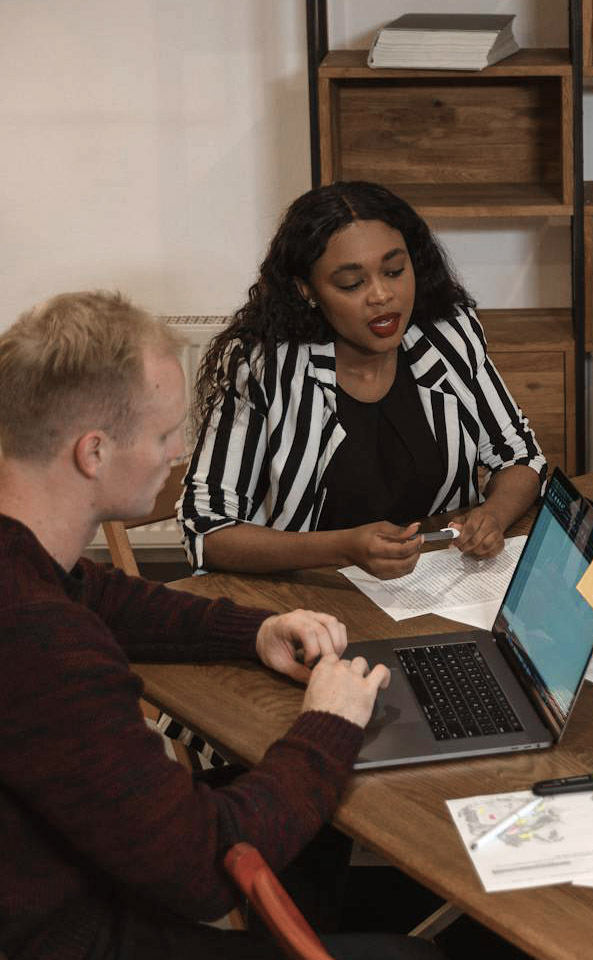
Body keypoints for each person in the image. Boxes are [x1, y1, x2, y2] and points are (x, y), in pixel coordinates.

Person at [0, 291, 440, 959]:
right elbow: (202, 867)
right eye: (163, 434)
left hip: (65, 874)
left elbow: (101, 595)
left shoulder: (26, 565)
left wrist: (254, 632)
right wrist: (329, 723)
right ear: (93, 452)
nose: (179, 451)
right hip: (74, 935)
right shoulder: (41, 644)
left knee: (303, 819)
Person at [181, 180, 544, 579]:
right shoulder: (266, 365)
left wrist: (492, 515)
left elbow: (520, 456)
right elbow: (206, 530)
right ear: (307, 290)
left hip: (435, 587)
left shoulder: (447, 335)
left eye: (394, 270)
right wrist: (343, 548)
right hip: (310, 596)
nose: (381, 295)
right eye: (352, 283)